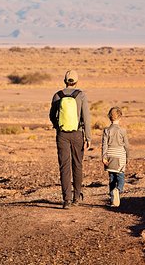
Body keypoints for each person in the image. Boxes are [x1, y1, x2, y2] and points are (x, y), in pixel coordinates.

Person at [49, 70, 91, 209]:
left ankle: (66, 200)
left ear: (64, 80)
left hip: (62, 135)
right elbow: (86, 117)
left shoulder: (57, 95)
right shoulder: (81, 95)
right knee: (77, 165)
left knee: (64, 166)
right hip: (77, 134)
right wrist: (88, 137)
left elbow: (51, 115)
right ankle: (76, 198)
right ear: (76, 81)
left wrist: (58, 126)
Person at [101, 106, 130, 207]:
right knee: (120, 175)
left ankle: (113, 201)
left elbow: (104, 145)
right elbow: (126, 145)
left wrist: (104, 157)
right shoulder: (122, 131)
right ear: (120, 117)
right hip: (120, 155)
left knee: (112, 177)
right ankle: (118, 190)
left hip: (109, 155)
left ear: (109, 117)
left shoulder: (106, 131)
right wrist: (127, 157)